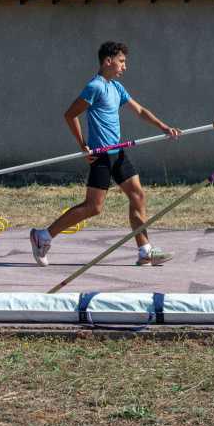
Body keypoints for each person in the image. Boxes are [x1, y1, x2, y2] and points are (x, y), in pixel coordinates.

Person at [29, 42, 180, 267]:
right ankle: (43, 236)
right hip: (101, 155)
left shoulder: (117, 88)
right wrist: (83, 146)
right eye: (121, 62)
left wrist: (163, 127)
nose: (124, 67)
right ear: (108, 61)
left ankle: (145, 250)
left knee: (137, 195)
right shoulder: (95, 87)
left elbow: (139, 111)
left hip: (118, 153)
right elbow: (70, 115)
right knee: (94, 207)